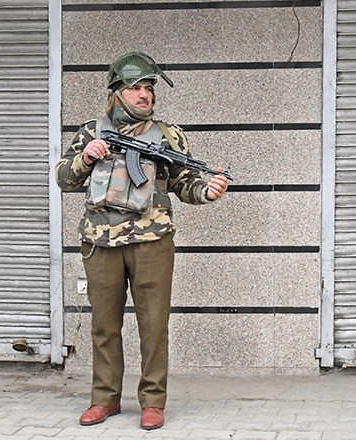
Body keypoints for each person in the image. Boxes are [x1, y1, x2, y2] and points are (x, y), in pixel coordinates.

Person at [55, 51, 229, 430]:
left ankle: (152, 401)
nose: (144, 95)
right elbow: (64, 179)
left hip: (152, 241)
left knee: (154, 324)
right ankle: (104, 399)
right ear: (116, 92)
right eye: (135, 88)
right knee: (104, 325)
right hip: (100, 241)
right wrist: (86, 158)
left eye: (148, 88)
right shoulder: (91, 131)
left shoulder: (168, 135)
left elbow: (186, 182)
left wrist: (207, 191)